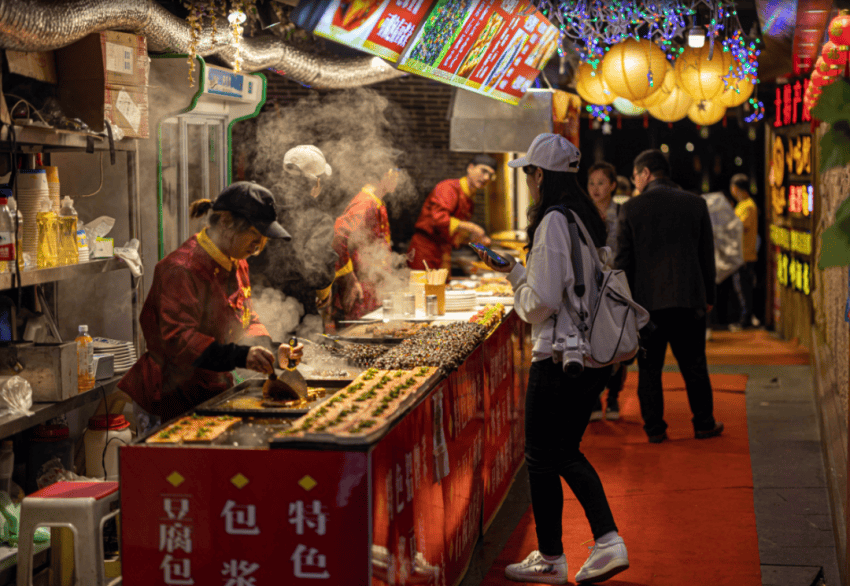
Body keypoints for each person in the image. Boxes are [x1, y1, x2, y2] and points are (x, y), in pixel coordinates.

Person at [475, 133, 629, 584]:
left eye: (530, 174)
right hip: (586, 359)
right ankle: (592, 544)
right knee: (561, 452)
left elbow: (539, 303)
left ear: (540, 176)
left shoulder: (552, 223)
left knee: (544, 456)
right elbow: (563, 284)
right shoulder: (584, 219)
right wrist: (515, 269)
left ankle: (567, 551)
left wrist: (516, 286)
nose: (530, 182)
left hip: (559, 358)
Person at [120, 182, 304, 426]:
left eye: (263, 239)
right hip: (170, 394)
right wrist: (240, 355)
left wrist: (269, 350)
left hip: (210, 388)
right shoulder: (181, 269)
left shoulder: (237, 262)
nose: (258, 246)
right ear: (226, 222)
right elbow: (178, 340)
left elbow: (246, 318)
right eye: (254, 235)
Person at [615, 149, 723, 443]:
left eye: (636, 176)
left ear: (646, 173)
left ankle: (655, 429)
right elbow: (706, 256)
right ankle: (703, 423)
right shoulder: (695, 204)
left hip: (647, 306)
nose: (635, 181)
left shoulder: (631, 208)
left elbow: (623, 262)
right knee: (695, 365)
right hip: (689, 300)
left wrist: (624, 304)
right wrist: (708, 296)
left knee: (649, 369)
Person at [248, 145, 337, 317]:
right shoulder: (318, 220)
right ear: (316, 183)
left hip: (255, 302)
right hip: (297, 308)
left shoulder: (258, 205)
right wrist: (324, 291)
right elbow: (315, 267)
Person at [331, 168, 400, 322]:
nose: (398, 176)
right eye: (396, 170)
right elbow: (338, 235)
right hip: (359, 294)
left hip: (371, 291)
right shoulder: (365, 202)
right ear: (385, 172)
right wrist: (349, 279)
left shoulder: (376, 201)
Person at [586, 161, 627, 421]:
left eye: (601, 183)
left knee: (618, 342)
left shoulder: (623, 212)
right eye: (591, 183)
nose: (596, 188)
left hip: (617, 287)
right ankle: (593, 399)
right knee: (591, 342)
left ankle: (613, 396)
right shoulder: (583, 212)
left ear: (612, 185)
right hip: (589, 287)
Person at [407, 154, 497, 271]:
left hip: (444, 253)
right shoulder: (449, 187)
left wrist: (475, 241)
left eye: (490, 175)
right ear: (470, 168)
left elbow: (454, 234)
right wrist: (473, 227)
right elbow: (438, 219)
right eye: (483, 171)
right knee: (422, 287)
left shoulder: (469, 198)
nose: (486, 177)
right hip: (425, 251)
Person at [730, 173, 759, 328]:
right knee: (740, 288)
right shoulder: (742, 205)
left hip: (746, 255)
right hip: (740, 254)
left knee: (744, 289)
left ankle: (746, 320)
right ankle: (745, 318)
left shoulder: (748, 206)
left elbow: (741, 226)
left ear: (735, 188)